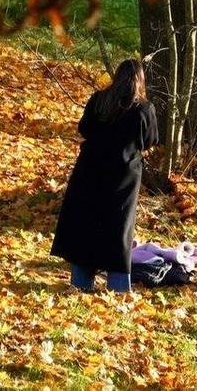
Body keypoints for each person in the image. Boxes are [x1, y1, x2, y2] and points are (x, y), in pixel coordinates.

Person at [51, 59, 159, 293]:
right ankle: (119, 288)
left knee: (86, 225)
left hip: (90, 170)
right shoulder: (143, 108)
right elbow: (149, 140)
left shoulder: (99, 100)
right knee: (118, 229)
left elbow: (84, 128)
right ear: (140, 80)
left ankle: (80, 284)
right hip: (123, 176)